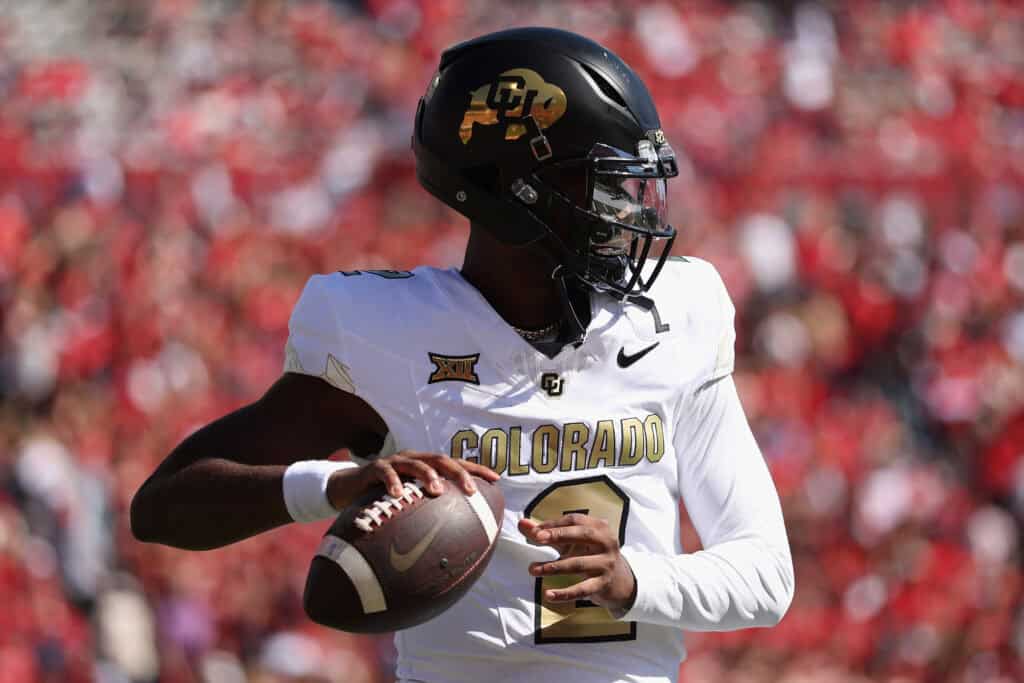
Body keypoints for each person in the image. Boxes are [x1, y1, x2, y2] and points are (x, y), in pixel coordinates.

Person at [131, 26, 794, 683]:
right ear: (519, 190)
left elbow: (766, 573)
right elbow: (163, 504)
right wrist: (331, 486)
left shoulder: (677, 315)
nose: (630, 214)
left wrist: (634, 579)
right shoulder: (384, 331)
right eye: (603, 186)